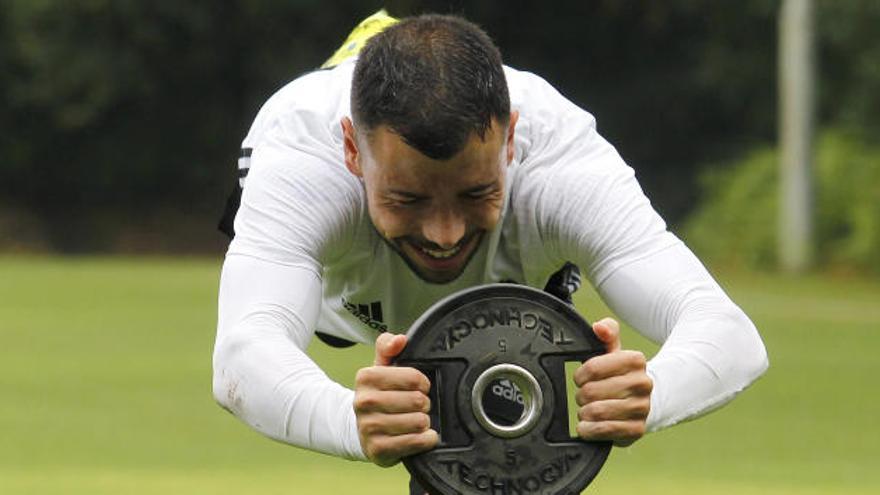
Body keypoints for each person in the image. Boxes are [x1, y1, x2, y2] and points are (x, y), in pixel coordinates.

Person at [212, 10, 768, 492]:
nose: (445, 234)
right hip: (347, 292)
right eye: (407, 198)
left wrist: (649, 393)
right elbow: (243, 355)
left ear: (510, 140)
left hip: (516, 283)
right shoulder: (305, 159)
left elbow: (728, 333)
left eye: (477, 192)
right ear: (354, 151)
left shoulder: (560, 165)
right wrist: (353, 420)